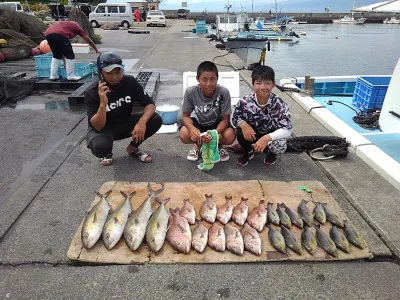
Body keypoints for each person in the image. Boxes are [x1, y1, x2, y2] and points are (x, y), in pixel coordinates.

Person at [84, 52, 162, 166]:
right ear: (100, 73)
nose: (115, 77)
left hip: (125, 122)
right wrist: (102, 103)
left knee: (155, 119)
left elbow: (150, 104)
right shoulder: (91, 92)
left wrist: (141, 123)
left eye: (118, 72)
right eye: (110, 73)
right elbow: (97, 126)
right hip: (104, 128)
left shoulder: (130, 82)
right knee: (100, 147)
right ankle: (107, 153)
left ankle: (133, 148)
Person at [232, 65, 293, 167]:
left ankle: (271, 153)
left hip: (270, 134)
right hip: (253, 132)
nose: (263, 87)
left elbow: (288, 129)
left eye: (267, 83)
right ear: (253, 84)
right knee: (240, 133)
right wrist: (243, 124)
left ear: (273, 84)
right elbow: (235, 118)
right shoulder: (244, 101)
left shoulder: (280, 104)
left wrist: (267, 138)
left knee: (280, 143)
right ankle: (248, 151)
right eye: (258, 83)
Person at [179, 61, 236, 162]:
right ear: (198, 79)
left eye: (212, 79)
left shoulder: (224, 92)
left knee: (230, 135)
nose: (209, 84)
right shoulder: (190, 92)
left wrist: (214, 133)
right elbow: (185, 116)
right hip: (199, 124)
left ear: (217, 79)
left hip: (217, 124)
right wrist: (192, 129)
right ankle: (197, 146)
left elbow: (226, 119)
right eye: (204, 80)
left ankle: (218, 146)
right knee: (183, 133)